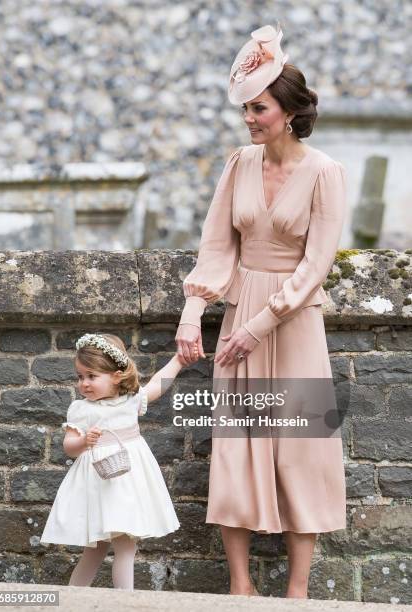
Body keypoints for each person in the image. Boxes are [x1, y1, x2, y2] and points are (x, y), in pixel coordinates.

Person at [175, 24, 347, 599]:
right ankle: (240, 586)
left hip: (293, 323)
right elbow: (217, 246)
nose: (250, 118)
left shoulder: (325, 172)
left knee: (302, 447)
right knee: (237, 443)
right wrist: (190, 312)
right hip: (239, 310)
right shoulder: (238, 164)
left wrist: (258, 325)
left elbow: (316, 263)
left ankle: (298, 592)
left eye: (260, 108)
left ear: (290, 111)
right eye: (247, 108)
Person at [40, 332, 182, 591]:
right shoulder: (81, 409)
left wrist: (179, 361)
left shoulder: (130, 401)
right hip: (97, 485)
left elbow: (157, 386)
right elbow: (69, 446)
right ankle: (76, 599)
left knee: (126, 546)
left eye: (92, 376)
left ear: (116, 376)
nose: (84, 383)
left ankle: (122, 601)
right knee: (94, 551)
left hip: (126, 482)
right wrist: (84, 443)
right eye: (80, 377)